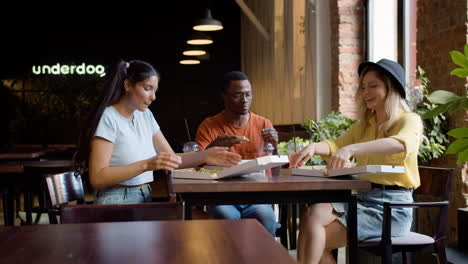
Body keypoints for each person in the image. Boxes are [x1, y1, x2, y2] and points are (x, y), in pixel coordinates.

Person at [290, 59, 423, 264]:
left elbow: (400, 144)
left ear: (392, 88)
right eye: (363, 87)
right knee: (312, 213)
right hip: (361, 198)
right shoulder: (366, 124)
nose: (365, 92)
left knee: (315, 237)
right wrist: (314, 147)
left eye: (373, 86)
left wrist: (352, 148)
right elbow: (335, 144)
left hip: (391, 209)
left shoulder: (409, 120)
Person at [75, 60, 241, 205]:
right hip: (114, 199)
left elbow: (171, 159)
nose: (153, 97)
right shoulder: (109, 117)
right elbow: (97, 178)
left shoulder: (145, 115)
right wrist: (147, 164)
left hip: (144, 194)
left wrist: (206, 156)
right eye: (147, 88)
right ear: (127, 85)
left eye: (155, 90)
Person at [195, 71, 279, 236]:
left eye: (248, 94)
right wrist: (213, 148)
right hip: (221, 197)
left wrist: (275, 146)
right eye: (237, 95)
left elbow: (275, 171)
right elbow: (197, 167)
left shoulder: (263, 123)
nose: (244, 100)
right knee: (224, 215)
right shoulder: (209, 126)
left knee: (266, 216)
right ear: (224, 96)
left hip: (257, 197)